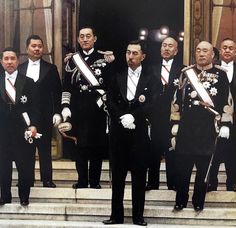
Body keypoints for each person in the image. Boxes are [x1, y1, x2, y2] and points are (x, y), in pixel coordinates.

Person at [170, 41, 231, 212]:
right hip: (187, 127)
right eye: (198, 50)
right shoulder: (186, 73)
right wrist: (175, 123)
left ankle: (198, 201)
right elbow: (176, 101)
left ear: (213, 54)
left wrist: (225, 123)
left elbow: (227, 101)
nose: (201, 54)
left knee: (204, 168)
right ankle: (180, 200)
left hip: (207, 128)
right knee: (183, 166)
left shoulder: (221, 74)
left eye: (205, 51)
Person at [103, 40, 157, 226]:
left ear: (143, 56)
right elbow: (109, 101)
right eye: (128, 53)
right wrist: (122, 117)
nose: (130, 57)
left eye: (135, 53)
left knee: (139, 176)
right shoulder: (117, 75)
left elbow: (153, 104)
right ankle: (116, 216)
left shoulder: (151, 78)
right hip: (119, 132)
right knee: (117, 176)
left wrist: (134, 116)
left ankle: (137, 216)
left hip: (139, 132)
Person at [61, 26, 114, 189]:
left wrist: (106, 102)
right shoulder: (71, 60)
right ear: (78, 39)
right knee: (80, 147)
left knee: (97, 147)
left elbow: (111, 85)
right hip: (78, 109)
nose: (85, 39)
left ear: (94, 39)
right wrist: (65, 106)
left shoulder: (105, 58)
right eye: (82, 36)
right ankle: (82, 180)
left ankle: (95, 181)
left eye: (88, 36)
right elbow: (67, 86)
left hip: (98, 109)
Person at [18, 35, 62, 188]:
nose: (37, 49)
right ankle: (27, 179)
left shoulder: (51, 68)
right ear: (27, 48)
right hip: (25, 116)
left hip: (45, 115)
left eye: (40, 46)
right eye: (33, 46)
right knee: (26, 150)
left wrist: (57, 112)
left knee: (44, 150)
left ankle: (47, 179)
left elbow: (57, 93)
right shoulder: (20, 69)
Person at [0, 47, 39, 206]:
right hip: (2, 131)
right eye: (6, 59)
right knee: (3, 165)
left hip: (22, 130)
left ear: (18, 61)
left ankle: (24, 196)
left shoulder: (28, 82)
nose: (9, 62)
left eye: (13, 59)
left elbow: (35, 107)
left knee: (24, 164)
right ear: (1, 62)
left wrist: (34, 125)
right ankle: (5, 195)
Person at [146, 36, 184, 191]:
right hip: (155, 115)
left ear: (176, 50)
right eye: (164, 45)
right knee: (153, 149)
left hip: (174, 116)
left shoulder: (183, 69)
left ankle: (172, 183)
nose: (166, 48)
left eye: (170, 46)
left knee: (172, 149)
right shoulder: (150, 68)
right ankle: (152, 182)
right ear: (160, 49)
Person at [208, 38, 236, 191]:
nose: (227, 50)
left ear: (235, 52)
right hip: (216, 119)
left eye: (230, 48)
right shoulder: (213, 71)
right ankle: (212, 181)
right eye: (224, 47)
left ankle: (232, 182)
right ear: (220, 49)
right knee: (215, 151)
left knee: (233, 152)